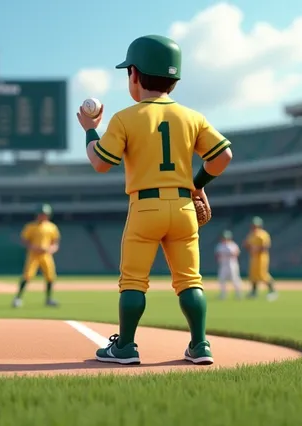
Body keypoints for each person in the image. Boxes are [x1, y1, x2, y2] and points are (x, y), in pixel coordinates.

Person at [79, 35, 233, 365]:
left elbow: (100, 162)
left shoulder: (125, 117)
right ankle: (200, 345)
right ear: (174, 78)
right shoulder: (193, 117)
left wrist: (91, 129)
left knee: (134, 280)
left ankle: (126, 348)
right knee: (190, 280)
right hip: (182, 207)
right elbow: (223, 157)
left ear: (134, 74)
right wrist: (197, 185)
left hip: (145, 206)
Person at [12, 204, 61, 308]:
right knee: (27, 275)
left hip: (46, 255)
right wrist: (33, 247)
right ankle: (18, 298)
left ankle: (48, 299)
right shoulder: (31, 226)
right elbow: (24, 240)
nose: (43, 216)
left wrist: (52, 249)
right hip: (33, 254)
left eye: (45, 214)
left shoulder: (52, 227)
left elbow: (55, 242)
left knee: (50, 276)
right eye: (41, 214)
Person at [243, 216, 278, 301]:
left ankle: (272, 291)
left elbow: (265, 246)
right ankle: (254, 292)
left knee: (262, 274)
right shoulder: (251, 235)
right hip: (253, 257)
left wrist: (256, 248)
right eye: (253, 225)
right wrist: (249, 247)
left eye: (256, 225)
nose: (254, 227)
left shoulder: (263, 234)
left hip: (262, 257)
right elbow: (246, 244)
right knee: (253, 275)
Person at [215, 230, 242, 300]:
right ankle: (223, 294)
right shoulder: (220, 245)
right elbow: (217, 255)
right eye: (224, 237)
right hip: (223, 265)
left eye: (226, 238)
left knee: (235, 279)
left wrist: (229, 254)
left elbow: (237, 253)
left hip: (232, 264)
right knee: (221, 279)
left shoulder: (233, 245)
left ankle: (238, 294)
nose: (225, 239)